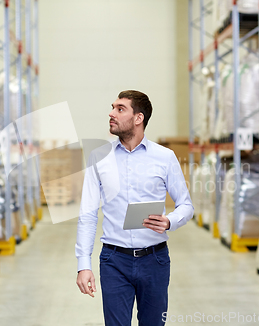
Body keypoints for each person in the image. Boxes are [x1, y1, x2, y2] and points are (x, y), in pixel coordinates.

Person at [75, 90, 194, 326]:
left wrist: (170, 221)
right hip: (113, 261)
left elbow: (186, 205)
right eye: (112, 107)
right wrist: (83, 265)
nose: (111, 113)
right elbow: (87, 215)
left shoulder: (165, 157)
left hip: (155, 260)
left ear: (138, 118)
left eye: (120, 109)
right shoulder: (99, 157)